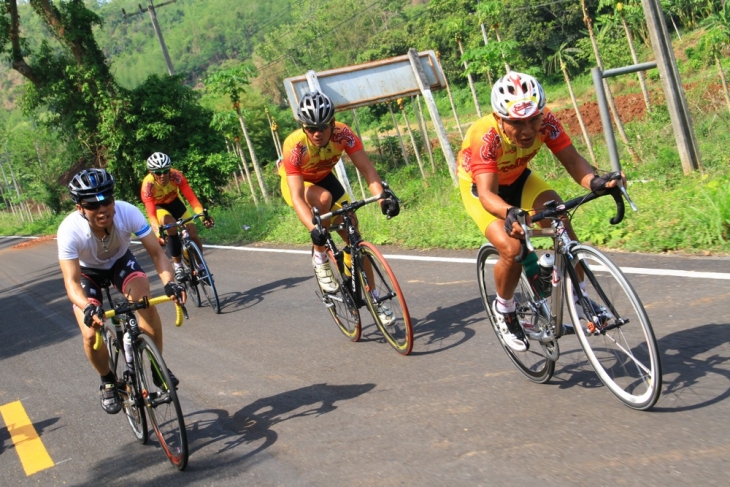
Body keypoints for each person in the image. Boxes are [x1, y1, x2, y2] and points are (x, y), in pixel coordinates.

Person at [457, 72, 621, 352]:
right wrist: (510, 213)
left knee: (558, 215)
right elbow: (487, 194)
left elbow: (573, 161)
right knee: (511, 247)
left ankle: (581, 297)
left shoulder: (548, 121)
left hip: (520, 179)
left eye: (534, 119)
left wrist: (595, 181)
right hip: (483, 189)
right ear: (499, 118)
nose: (528, 131)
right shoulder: (484, 135)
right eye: (517, 123)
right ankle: (505, 308)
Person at [58, 168, 186, 414]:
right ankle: (108, 380)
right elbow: (71, 282)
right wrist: (88, 307)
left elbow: (158, 254)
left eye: (106, 200)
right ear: (80, 208)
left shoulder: (127, 212)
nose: (102, 208)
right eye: (92, 205)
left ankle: (158, 369)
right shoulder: (69, 230)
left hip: (120, 262)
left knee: (145, 303)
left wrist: (171, 282)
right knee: (89, 333)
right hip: (88, 273)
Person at [278, 90, 400, 322]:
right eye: (310, 128)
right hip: (298, 184)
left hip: (324, 177)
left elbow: (367, 169)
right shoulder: (294, 145)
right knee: (323, 199)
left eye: (322, 127)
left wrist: (383, 198)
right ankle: (321, 259)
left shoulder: (344, 134)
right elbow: (296, 197)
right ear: (303, 127)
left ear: (332, 123)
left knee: (352, 227)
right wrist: (315, 232)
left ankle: (373, 298)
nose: (316, 133)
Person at [140, 152, 214, 283]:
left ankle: (201, 265)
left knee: (192, 232)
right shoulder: (148, 186)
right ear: (152, 173)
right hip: (159, 208)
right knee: (171, 225)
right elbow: (151, 214)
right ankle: (178, 266)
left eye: (165, 171)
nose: (162, 175)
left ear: (169, 169)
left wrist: (204, 217)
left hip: (175, 203)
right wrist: (158, 234)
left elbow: (192, 199)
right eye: (158, 172)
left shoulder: (176, 176)